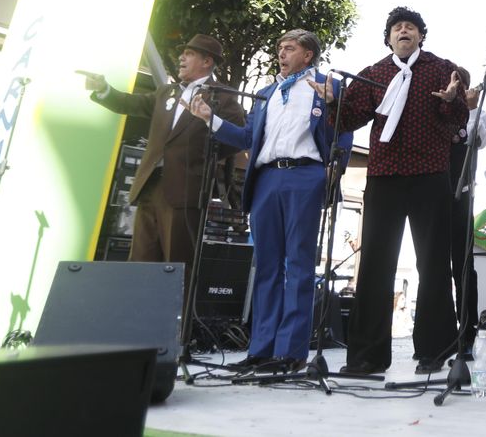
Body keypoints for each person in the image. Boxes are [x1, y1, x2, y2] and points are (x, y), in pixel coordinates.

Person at [318, 7, 469, 376]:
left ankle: (434, 352)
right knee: (373, 265)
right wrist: (332, 101)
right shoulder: (374, 74)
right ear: (388, 38)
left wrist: (452, 100)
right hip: (384, 175)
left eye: (411, 27)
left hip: (431, 174)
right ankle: (366, 357)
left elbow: (459, 120)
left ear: (420, 37)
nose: (404, 31)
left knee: (433, 264)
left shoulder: (440, 68)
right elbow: (349, 120)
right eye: (398, 27)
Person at [190, 29, 350, 375]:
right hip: (266, 178)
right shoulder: (266, 93)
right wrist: (209, 119)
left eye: (289, 48)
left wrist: (335, 168)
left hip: (305, 175)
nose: (281, 53)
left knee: (299, 266)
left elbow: (345, 129)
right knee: (265, 266)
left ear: (308, 55)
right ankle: (260, 349)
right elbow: (247, 136)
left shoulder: (329, 86)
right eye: (279, 47)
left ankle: (290, 351)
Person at [83, 34, 245, 272]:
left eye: (189, 53)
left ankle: (175, 310)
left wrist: (202, 161)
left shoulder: (223, 97)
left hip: (186, 189)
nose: (181, 57)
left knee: (176, 263)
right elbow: (130, 104)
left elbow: (236, 137)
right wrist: (104, 89)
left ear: (207, 61)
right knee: (140, 260)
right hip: (150, 184)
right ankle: (138, 308)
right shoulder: (166, 92)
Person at [446, 68, 484, 363]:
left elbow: (476, 140)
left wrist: (470, 110)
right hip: (433, 190)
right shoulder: (438, 108)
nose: (455, 86)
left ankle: (467, 332)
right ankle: (442, 332)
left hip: (463, 192)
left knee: (463, 266)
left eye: (460, 82)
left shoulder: (476, 110)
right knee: (433, 266)